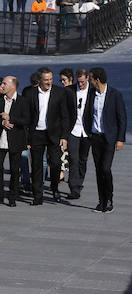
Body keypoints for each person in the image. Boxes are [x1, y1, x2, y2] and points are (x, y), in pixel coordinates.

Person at [83, 67, 127, 213]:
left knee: (105, 168)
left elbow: (122, 118)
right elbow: (87, 115)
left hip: (109, 138)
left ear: (97, 80)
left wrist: (120, 139)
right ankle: (101, 201)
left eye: (90, 78)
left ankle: (109, 199)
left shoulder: (115, 94)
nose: (89, 81)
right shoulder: (91, 94)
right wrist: (89, 132)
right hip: (95, 138)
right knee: (98, 170)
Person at [23, 67, 69, 204]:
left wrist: (64, 136)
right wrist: (26, 137)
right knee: (37, 165)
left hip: (54, 134)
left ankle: (54, 188)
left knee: (56, 163)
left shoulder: (59, 93)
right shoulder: (30, 93)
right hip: (36, 133)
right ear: (39, 80)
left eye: (51, 79)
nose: (49, 82)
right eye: (46, 80)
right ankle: (38, 195)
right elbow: (26, 116)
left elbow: (65, 116)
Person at [0, 76, 31, 206]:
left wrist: (11, 118)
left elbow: (27, 120)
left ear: (13, 86)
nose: (2, 86)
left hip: (16, 139)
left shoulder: (23, 101)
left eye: (5, 84)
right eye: (2, 84)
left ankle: (12, 197)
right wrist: (2, 122)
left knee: (14, 169)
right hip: (0, 139)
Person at [66, 69, 91, 200]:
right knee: (73, 159)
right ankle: (74, 188)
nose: (80, 84)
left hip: (87, 132)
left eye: (83, 82)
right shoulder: (69, 90)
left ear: (87, 78)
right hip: (73, 130)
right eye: (78, 82)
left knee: (83, 159)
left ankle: (79, 182)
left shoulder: (93, 91)